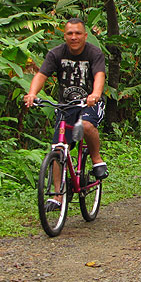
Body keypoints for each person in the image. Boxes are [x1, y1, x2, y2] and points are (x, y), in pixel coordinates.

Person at [24, 17, 108, 211]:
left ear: (85, 35)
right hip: (66, 106)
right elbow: (41, 75)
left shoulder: (94, 53)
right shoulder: (56, 54)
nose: (74, 37)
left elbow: (99, 76)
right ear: (64, 35)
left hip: (89, 104)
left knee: (87, 126)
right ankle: (57, 195)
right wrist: (32, 93)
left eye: (78, 33)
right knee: (58, 147)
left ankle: (96, 158)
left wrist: (95, 94)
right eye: (70, 33)